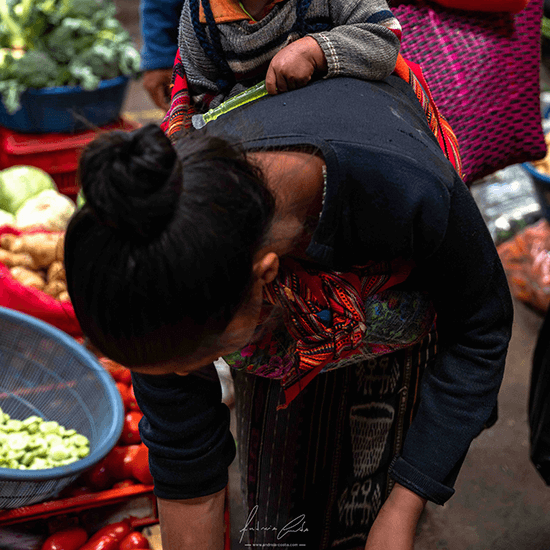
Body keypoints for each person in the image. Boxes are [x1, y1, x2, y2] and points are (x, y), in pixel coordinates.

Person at [64, 75, 513, 549]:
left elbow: (480, 332)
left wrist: (406, 503)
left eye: (192, 358)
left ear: (267, 276)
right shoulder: (166, 250)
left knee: (372, 473)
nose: (178, 374)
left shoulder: (403, 188)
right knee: (287, 509)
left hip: (405, 293)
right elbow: (184, 449)